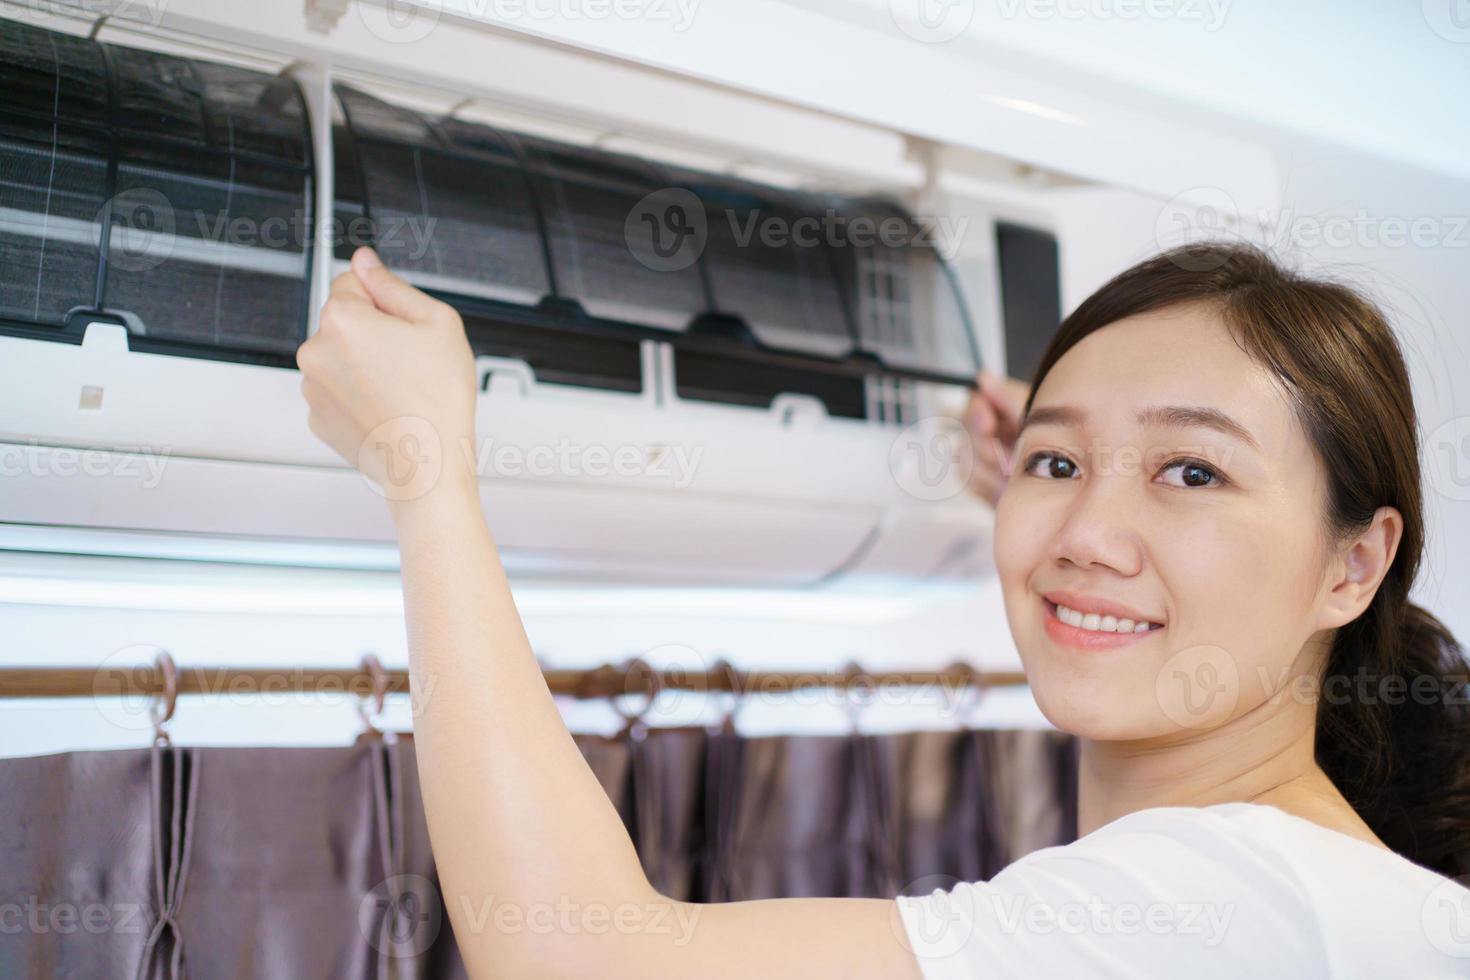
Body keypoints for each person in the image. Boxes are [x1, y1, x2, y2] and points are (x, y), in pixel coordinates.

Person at [298, 240, 1470, 978]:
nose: (1084, 536)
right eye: (1054, 468)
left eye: (1195, 472)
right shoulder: (1358, 899)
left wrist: (424, 470)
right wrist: (1088, 468)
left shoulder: (1215, 897)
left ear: (1354, 566)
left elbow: (574, 959)